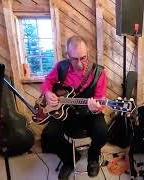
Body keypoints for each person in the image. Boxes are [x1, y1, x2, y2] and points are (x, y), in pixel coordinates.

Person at [40, 36, 107, 179]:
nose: (80, 63)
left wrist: (96, 107)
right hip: (65, 112)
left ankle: (93, 157)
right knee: (49, 135)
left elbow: (100, 99)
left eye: (83, 58)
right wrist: (47, 93)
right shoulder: (61, 66)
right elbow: (48, 81)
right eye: (75, 59)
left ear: (87, 53)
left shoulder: (99, 72)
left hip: (88, 112)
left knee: (102, 133)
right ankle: (69, 159)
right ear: (68, 56)